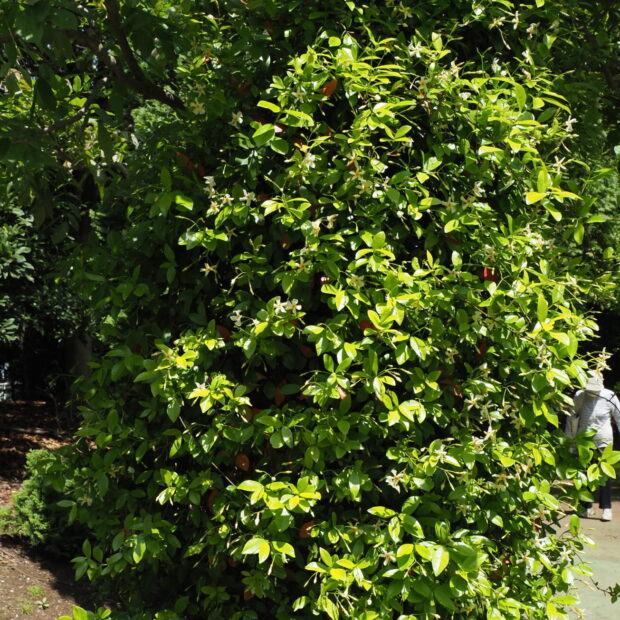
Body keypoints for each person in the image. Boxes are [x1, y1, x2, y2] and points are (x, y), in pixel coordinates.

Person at [569, 372, 620, 521]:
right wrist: (570, 441)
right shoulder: (580, 396)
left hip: (604, 440)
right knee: (584, 473)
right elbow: (571, 417)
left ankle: (606, 508)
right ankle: (586, 506)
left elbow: (619, 417)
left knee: (604, 474)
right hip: (584, 441)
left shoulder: (609, 396)